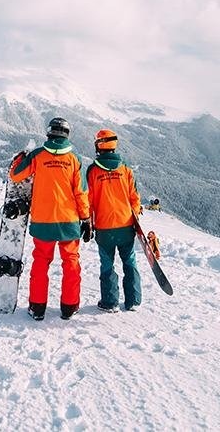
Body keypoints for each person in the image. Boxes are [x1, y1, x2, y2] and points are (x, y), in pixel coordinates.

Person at [8, 117, 91, 321]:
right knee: (71, 263)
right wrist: (86, 219)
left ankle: (37, 308)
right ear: (67, 135)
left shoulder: (38, 155)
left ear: (49, 132)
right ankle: (69, 307)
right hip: (68, 221)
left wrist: (21, 157)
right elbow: (80, 192)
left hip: (43, 221)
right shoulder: (74, 159)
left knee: (41, 263)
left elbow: (16, 175)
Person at [86, 129, 143, 312]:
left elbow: (89, 201)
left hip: (104, 227)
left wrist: (88, 223)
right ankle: (133, 301)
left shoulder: (93, 170)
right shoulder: (125, 168)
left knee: (107, 263)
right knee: (129, 261)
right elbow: (134, 197)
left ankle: (110, 303)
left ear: (99, 145)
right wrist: (133, 216)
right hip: (126, 224)